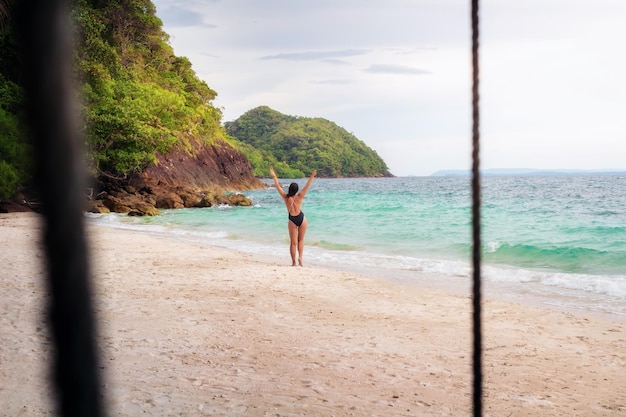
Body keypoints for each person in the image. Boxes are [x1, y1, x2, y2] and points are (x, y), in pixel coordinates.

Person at [269, 168, 317, 266]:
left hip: (292, 220)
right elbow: (307, 186)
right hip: (302, 218)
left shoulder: (285, 197)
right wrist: (312, 175)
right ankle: (300, 258)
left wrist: (274, 176)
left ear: (289, 189)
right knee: (301, 240)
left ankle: (294, 262)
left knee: (293, 243)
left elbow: (277, 186)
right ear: (296, 190)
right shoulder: (300, 196)